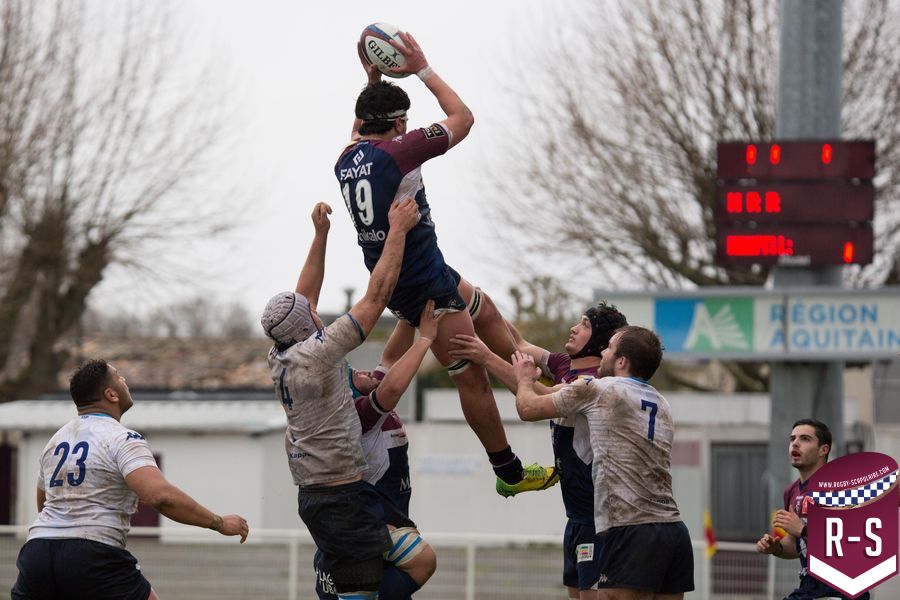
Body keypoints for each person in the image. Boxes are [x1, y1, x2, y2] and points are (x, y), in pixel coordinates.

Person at [335, 29, 556, 497]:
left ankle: (550, 368)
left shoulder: (347, 157)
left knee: (486, 309)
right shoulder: (399, 150)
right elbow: (463, 117)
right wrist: (421, 68)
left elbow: (359, 127)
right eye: (405, 122)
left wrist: (372, 81)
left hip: (409, 269)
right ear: (399, 124)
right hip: (421, 281)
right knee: (471, 377)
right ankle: (509, 471)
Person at [260, 198, 420, 600]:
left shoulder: (281, 353)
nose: (317, 313)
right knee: (409, 568)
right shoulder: (320, 352)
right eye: (311, 313)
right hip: (341, 498)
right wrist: (398, 230)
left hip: (321, 492)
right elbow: (376, 297)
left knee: (384, 575)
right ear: (306, 327)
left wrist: (321, 235)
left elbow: (303, 301)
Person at [11, 359, 249, 600]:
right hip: (91, 553)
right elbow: (160, 496)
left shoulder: (56, 441)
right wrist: (219, 522)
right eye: (119, 376)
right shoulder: (122, 438)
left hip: (38, 552)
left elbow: (45, 502)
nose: (124, 380)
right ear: (111, 394)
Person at [449, 303, 628, 599]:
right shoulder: (562, 364)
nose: (574, 328)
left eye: (584, 325)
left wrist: (486, 357)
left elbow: (535, 397)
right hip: (576, 517)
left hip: (599, 520)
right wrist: (473, 299)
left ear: (600, 343)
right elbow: (518, 345)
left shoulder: (594, 383)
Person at [511, 326, 694, 599]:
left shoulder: (597, 389)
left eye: (608, 348)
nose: (603, 352)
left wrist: (524, 380)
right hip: (673, 530)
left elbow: (528, 408)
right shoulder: (662, 402)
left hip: (631, 526)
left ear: (622, 361)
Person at [314, 301, 442, 600]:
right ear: (347, 391)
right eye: (354, 373)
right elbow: (393, 388)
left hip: (376, 533)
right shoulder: (357, 413)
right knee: (423, 563)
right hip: (364, 535)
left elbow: (391, 358)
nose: (365, 371)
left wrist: (409, 310)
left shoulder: (368, 404)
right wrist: (425, 338)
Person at [756, 419, 867, 600]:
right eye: (792, 439)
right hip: (809, 587)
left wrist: (803, 529)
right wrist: (776, 547)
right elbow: (796, 544)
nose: (795, 443)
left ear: (824, 450)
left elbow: (850, 539)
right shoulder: (791, 491)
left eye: (805, 439)